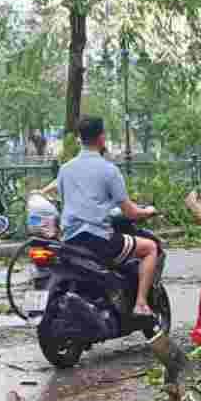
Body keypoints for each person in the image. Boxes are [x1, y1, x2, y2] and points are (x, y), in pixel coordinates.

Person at [38, 116, 159, 319]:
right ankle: (140, 304)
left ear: (79, 139)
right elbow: (130, 212)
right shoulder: (109, 171)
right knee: (150, 248)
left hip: (69, 241)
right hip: (98, 240)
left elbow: (53, 187)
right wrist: (148, 211)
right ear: (102, 138)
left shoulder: (66, 169)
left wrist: (40, 191)